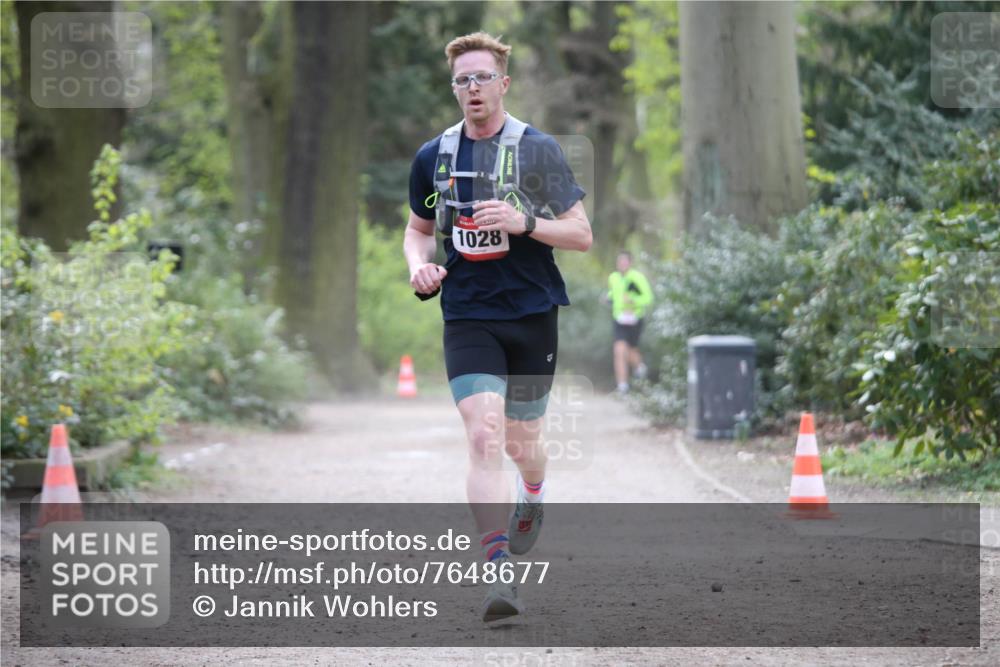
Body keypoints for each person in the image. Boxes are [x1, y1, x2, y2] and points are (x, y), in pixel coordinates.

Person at [403, 32, 591, 622]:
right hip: (467, 313)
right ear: (454, 89)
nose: (473, 88)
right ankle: (498, 572)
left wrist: (523, 221)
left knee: (521, 443)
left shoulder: (538, 151)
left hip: (532, 313)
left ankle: (532, 492)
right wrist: (419, 267)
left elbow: (581, 234)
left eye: (482, 77)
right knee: (484, 436)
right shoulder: (434, 157)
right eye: (462, 80)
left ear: (503, 83)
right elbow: (418, 230)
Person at [607, 251, 652, 393]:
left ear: (630, 263)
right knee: (619, 350)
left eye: (625, 261)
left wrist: (633, 300)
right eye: (619, 261)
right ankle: (622, 386)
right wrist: (608, 298)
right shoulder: (613, 277)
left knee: (631, 351)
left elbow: (648, 298)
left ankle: (639, 367)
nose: (622, 264)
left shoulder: (637, 277)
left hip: (634, 319)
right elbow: (613, 294)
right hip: (619, 319)